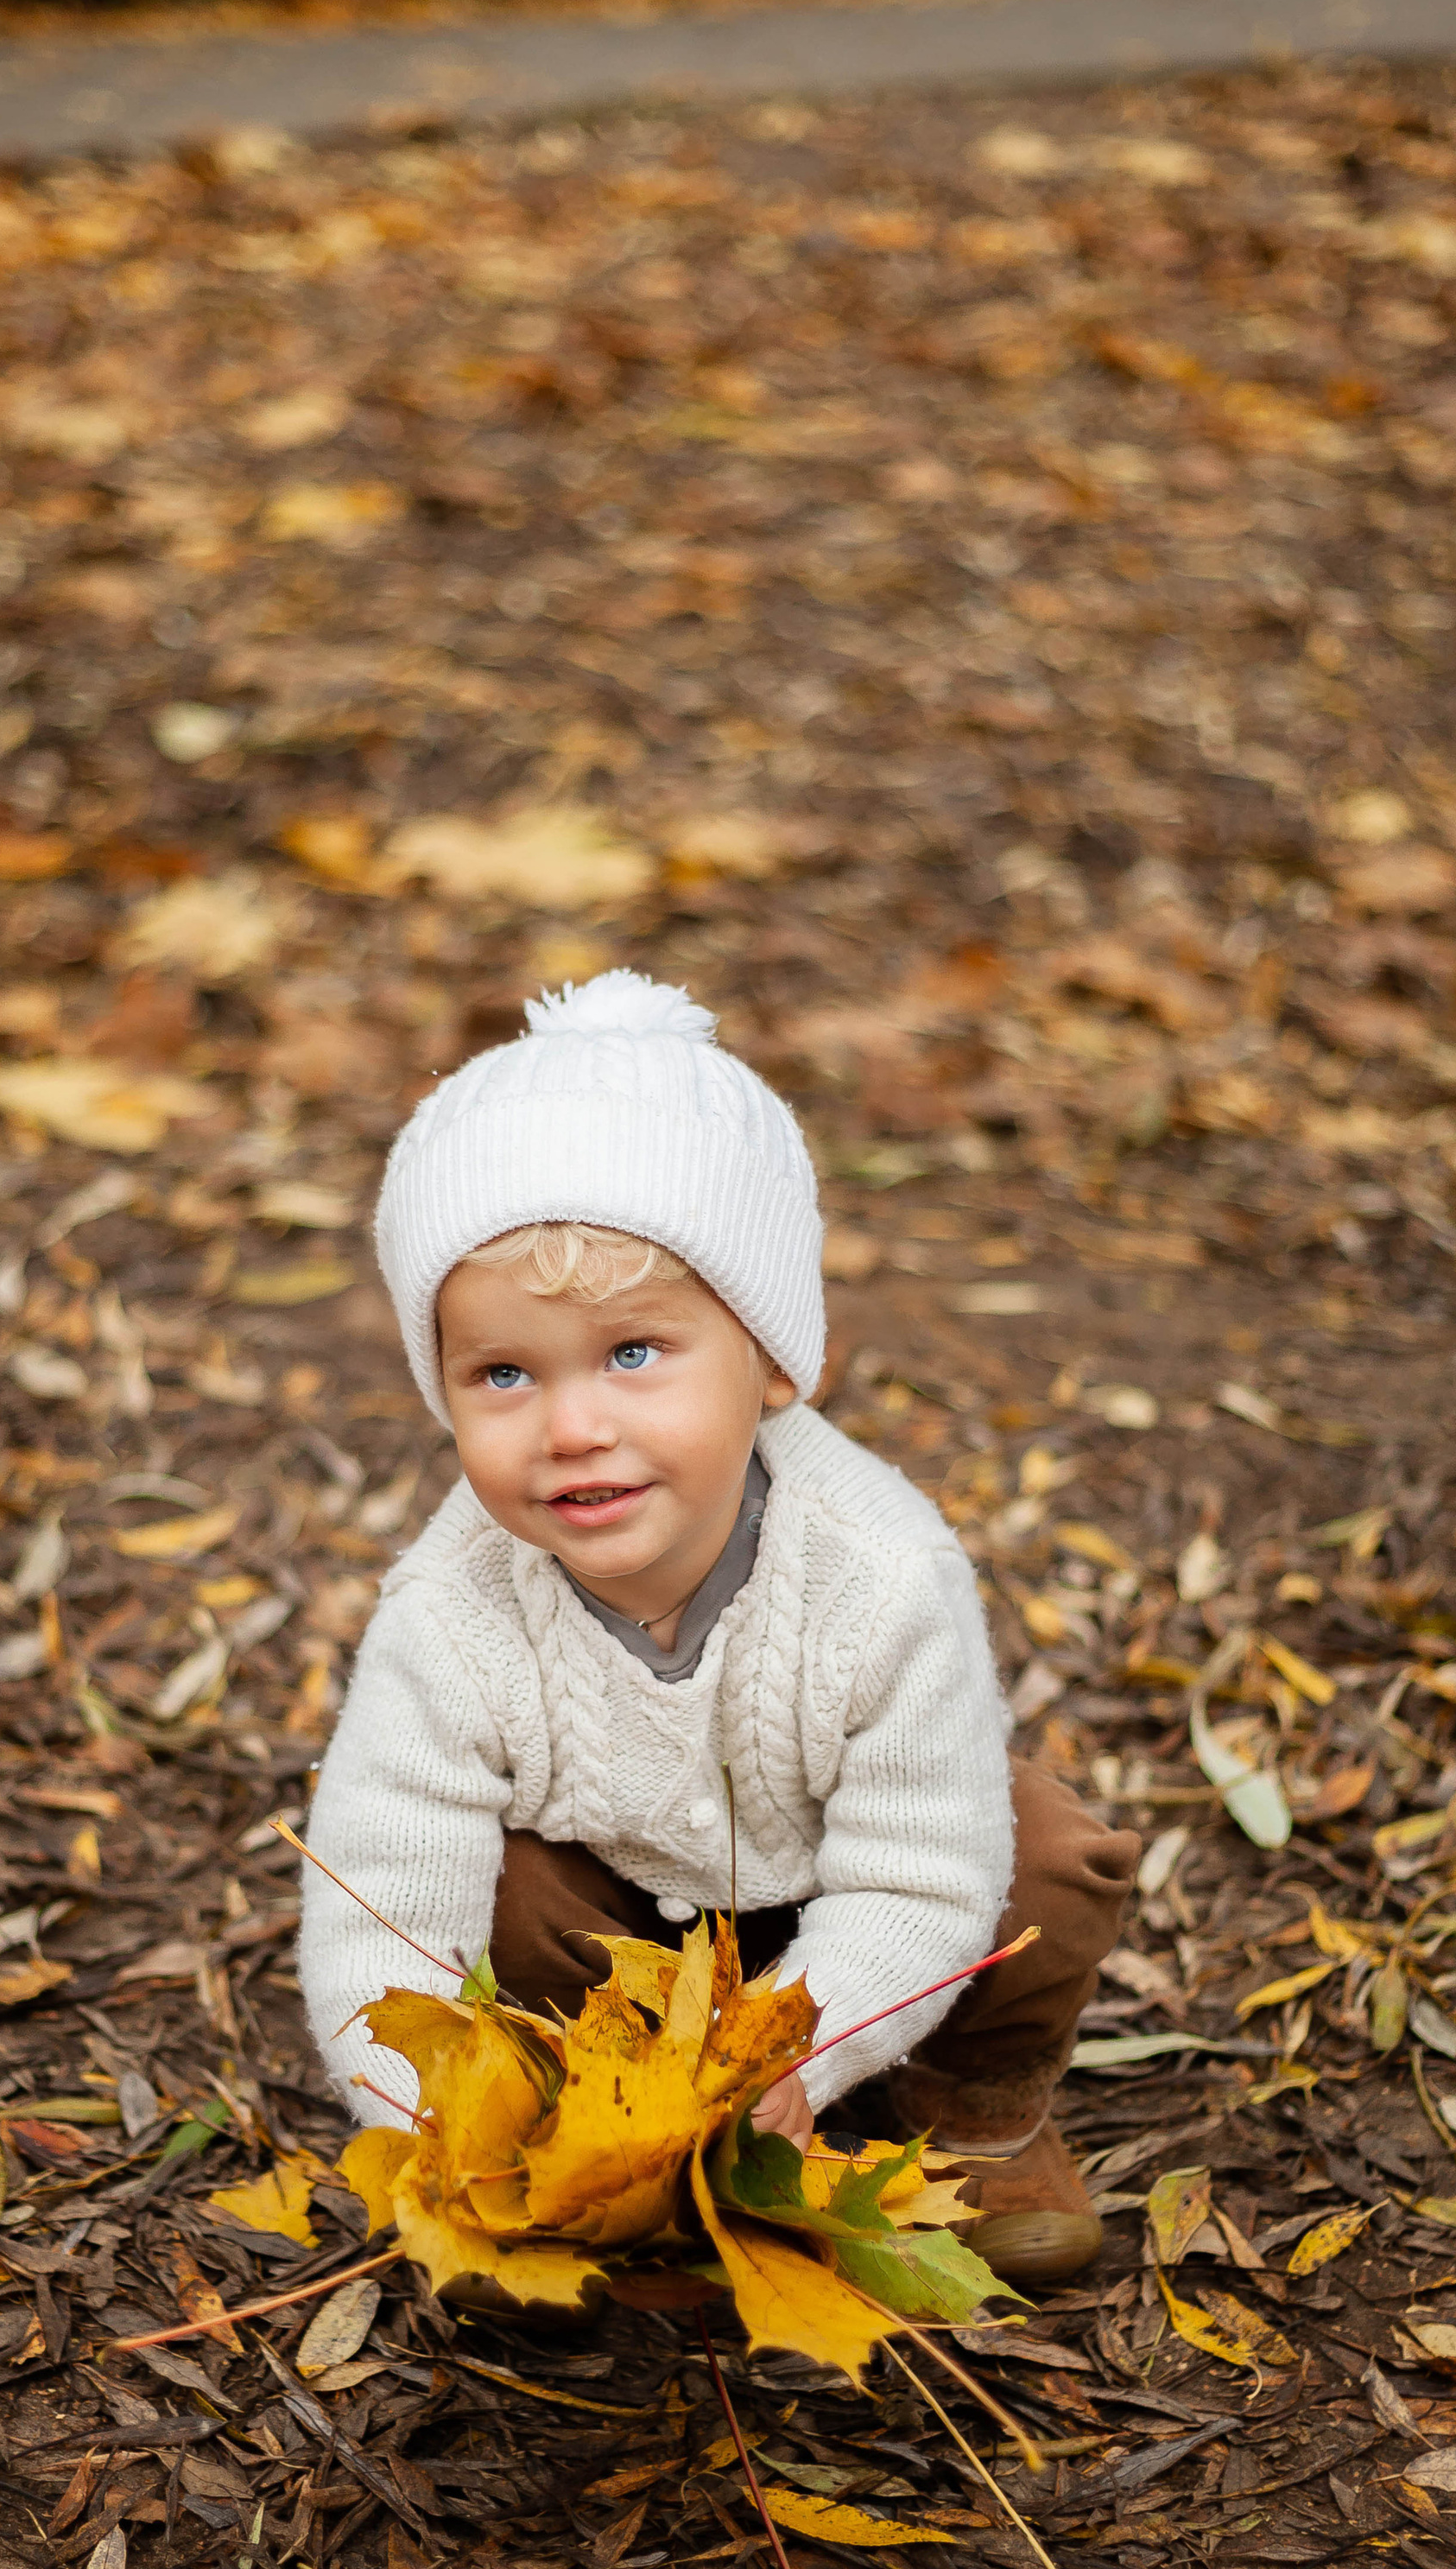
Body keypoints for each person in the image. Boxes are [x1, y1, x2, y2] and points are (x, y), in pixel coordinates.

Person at [297, 971, 1137, 2287]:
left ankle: (977, 2110)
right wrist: (422, 2132)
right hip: (618, 1932)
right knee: (497, 1887)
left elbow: (922, 1872)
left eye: (634, 1353)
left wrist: (805, 2048)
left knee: (1042, 1867)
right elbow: (382, 1903)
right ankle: (587, 2124)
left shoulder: (883, 1574)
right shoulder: (447, 1615)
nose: (572, 1426)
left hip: (856, 1889)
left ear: (773, 1360)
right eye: (504, 1373)